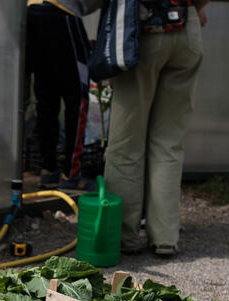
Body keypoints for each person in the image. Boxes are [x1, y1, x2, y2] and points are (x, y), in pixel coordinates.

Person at [104, 0, 209, 257]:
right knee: (169, 140)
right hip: (187, 28)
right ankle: (165, 237)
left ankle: (123, 236)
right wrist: (195, 8)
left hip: (143, 30)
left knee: (127, 141)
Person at [25, 0, 101, 190]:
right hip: (62, 11)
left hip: (32, 11)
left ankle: (48, 170)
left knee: (46, 98)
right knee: (78, 98)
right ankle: (72, 174)